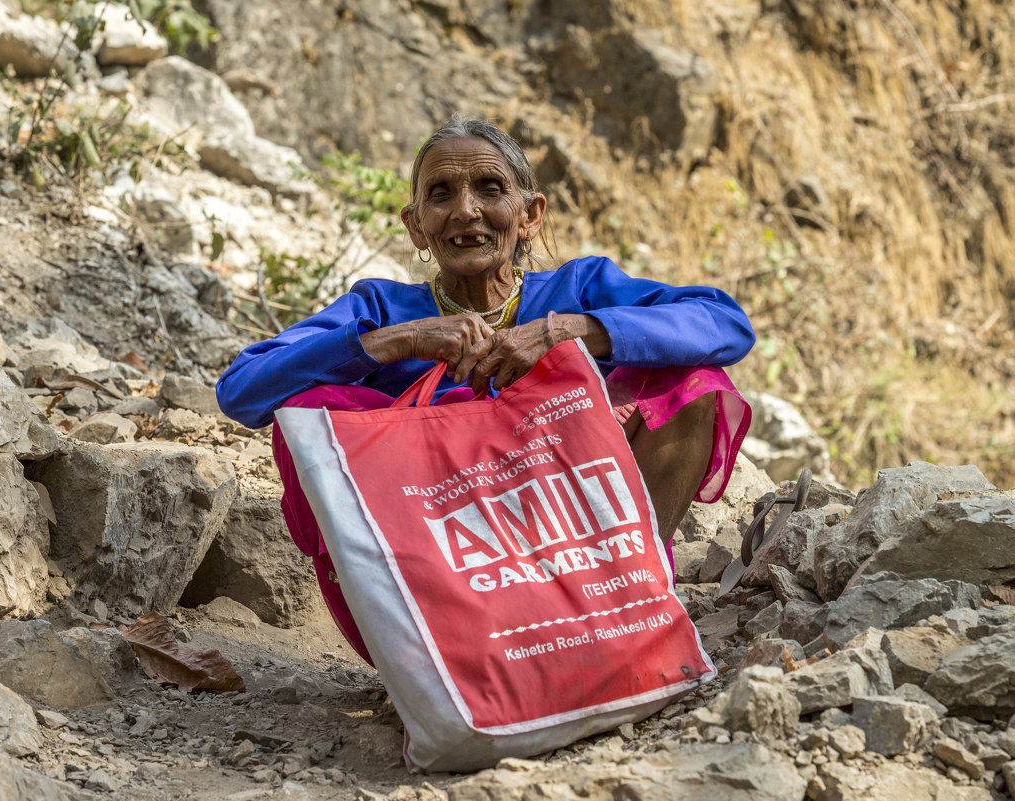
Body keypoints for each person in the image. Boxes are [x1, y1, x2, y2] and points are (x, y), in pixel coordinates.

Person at [217, 116, 754, 663]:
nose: (466, 210)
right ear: (416, 226)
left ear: (530, 215)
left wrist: (569, 331)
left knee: (692, 379)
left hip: (579, 548)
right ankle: (434, 656)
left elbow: (725, 324)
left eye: (490, 189)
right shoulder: (382, 309)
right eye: (441, 195)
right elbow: (242, 390)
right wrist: (400, 341)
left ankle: (627, 607)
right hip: (449, 577)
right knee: (313, 408)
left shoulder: (577, 289)